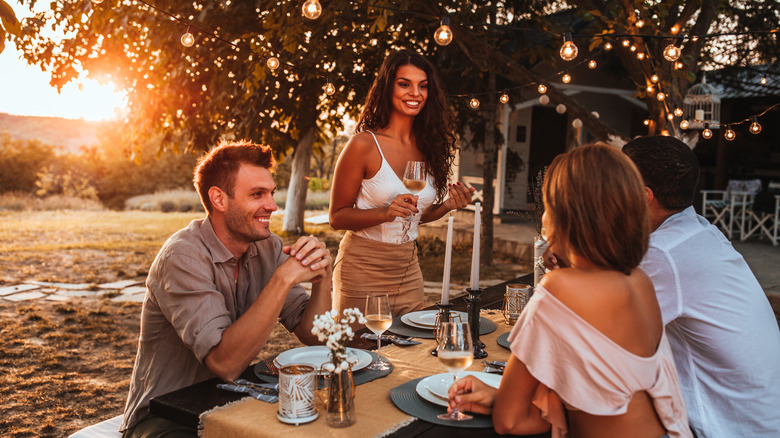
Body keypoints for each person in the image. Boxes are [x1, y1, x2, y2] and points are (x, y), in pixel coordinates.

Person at [449, 144, 691, 437]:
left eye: (547, 206)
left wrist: (502, 401)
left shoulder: (560, 289)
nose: (543, 216)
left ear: (566, 216)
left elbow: (510, 422)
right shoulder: (640, 281)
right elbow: (590, 393)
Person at [120, 140, 333, 437]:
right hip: (166, 418)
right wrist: (282, 280)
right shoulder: (182, 257)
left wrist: (324, 276)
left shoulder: (267, 247)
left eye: (271, 193)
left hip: (233, 403)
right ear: (219, 199)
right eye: (257, 194)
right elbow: (226, 363)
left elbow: (313, 335)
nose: (272, 205)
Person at [621, 136, 780, 437]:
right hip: (762, 420)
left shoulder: (663, 254)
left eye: (614, 181)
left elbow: (594, 329)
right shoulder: (699, 233)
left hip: (727, 429)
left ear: (642, 195)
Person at [329, 49, 473, 316]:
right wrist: (385, 212)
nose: (415, 93)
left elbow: (413, 216)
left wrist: (446, 206)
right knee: (363, 354)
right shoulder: (364, 144)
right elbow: (337, 217)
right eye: (404, 84)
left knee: (412, 351)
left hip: (408, 270)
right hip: (362, 268)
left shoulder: (430, 146)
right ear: (387, 87)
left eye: (423, 86)